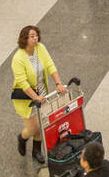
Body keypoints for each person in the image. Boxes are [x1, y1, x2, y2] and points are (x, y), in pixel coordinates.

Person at [10, 25, 67, 164]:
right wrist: (35, 97)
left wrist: (58, 83)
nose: (35, 39)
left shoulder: (40, 48)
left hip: (42, 92)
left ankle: (36, 151)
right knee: (33, 127)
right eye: (31, 36)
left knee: (42, 124)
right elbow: (22, 82)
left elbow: (50, 65)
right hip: (27, 97)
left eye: (36, 35)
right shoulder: (18, 58)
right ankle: (22, 138)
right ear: (24, 39)